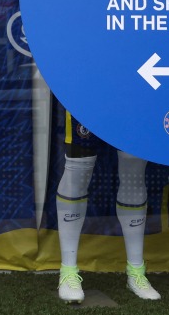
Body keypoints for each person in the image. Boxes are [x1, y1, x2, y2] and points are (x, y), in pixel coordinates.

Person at [55, 108, 161, 303]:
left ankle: (136, 272)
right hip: (87, 89)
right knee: (78, 167)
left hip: (134, 92)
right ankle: (68, 272)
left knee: (134, 168)